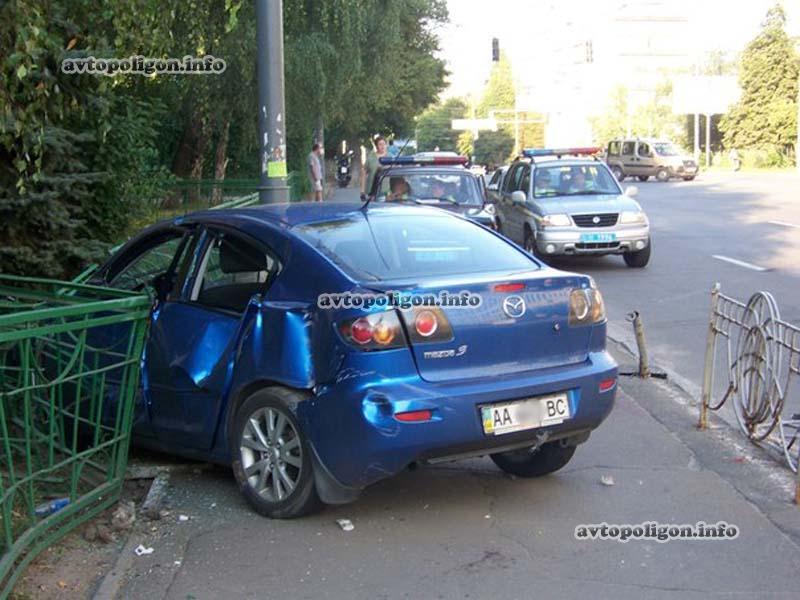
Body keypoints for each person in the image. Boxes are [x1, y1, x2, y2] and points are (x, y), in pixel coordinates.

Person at [361, 136, 388, 200]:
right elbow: (364, 173)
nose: (382, 146)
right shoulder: (371, 157)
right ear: (376, 146)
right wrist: (362, 191)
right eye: (380, 144)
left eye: (384, 144)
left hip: (386, 191)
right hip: (372, 191)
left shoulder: (391, 157)